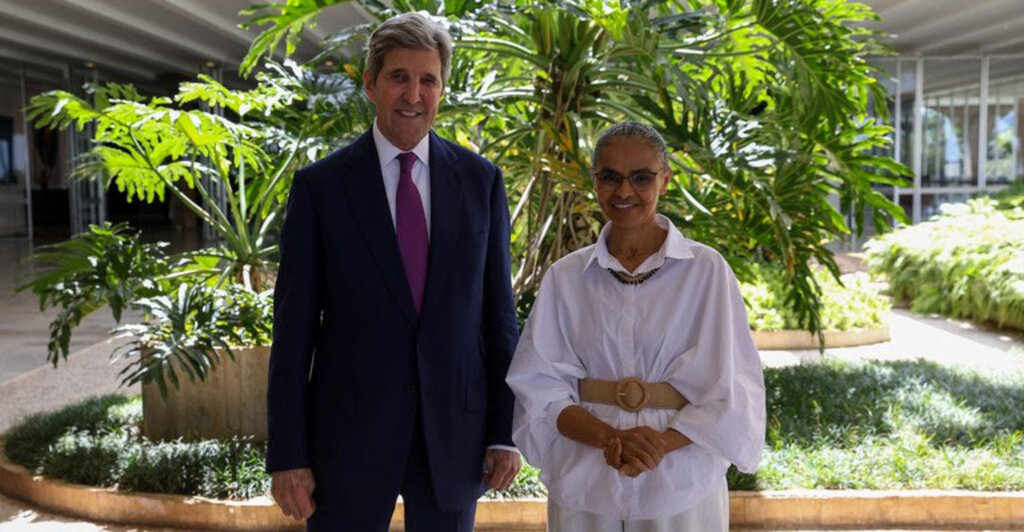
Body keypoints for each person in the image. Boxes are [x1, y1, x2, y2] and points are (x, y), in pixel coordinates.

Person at [266, 12, 521, 531]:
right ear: (370, 83)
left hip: (453, 438)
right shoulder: (322, 188)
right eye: (399, 77)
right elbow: (293, 332)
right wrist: (288, 454)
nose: (414, 93)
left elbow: (498, 318)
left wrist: (504, 432)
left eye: (428, 79)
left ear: (442, 89)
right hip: (348, 442)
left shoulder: (481, 182)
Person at [506, 122, 765, 531]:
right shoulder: (565, 277)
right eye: (610, 177)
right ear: (595, 181)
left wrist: (659, 445)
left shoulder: (706, 272)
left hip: (680, 479)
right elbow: (539, 386)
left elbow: (731, 388)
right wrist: (610, 440)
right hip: (585, 478)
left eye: (641, 177)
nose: (624, 192)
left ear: (665, 180)